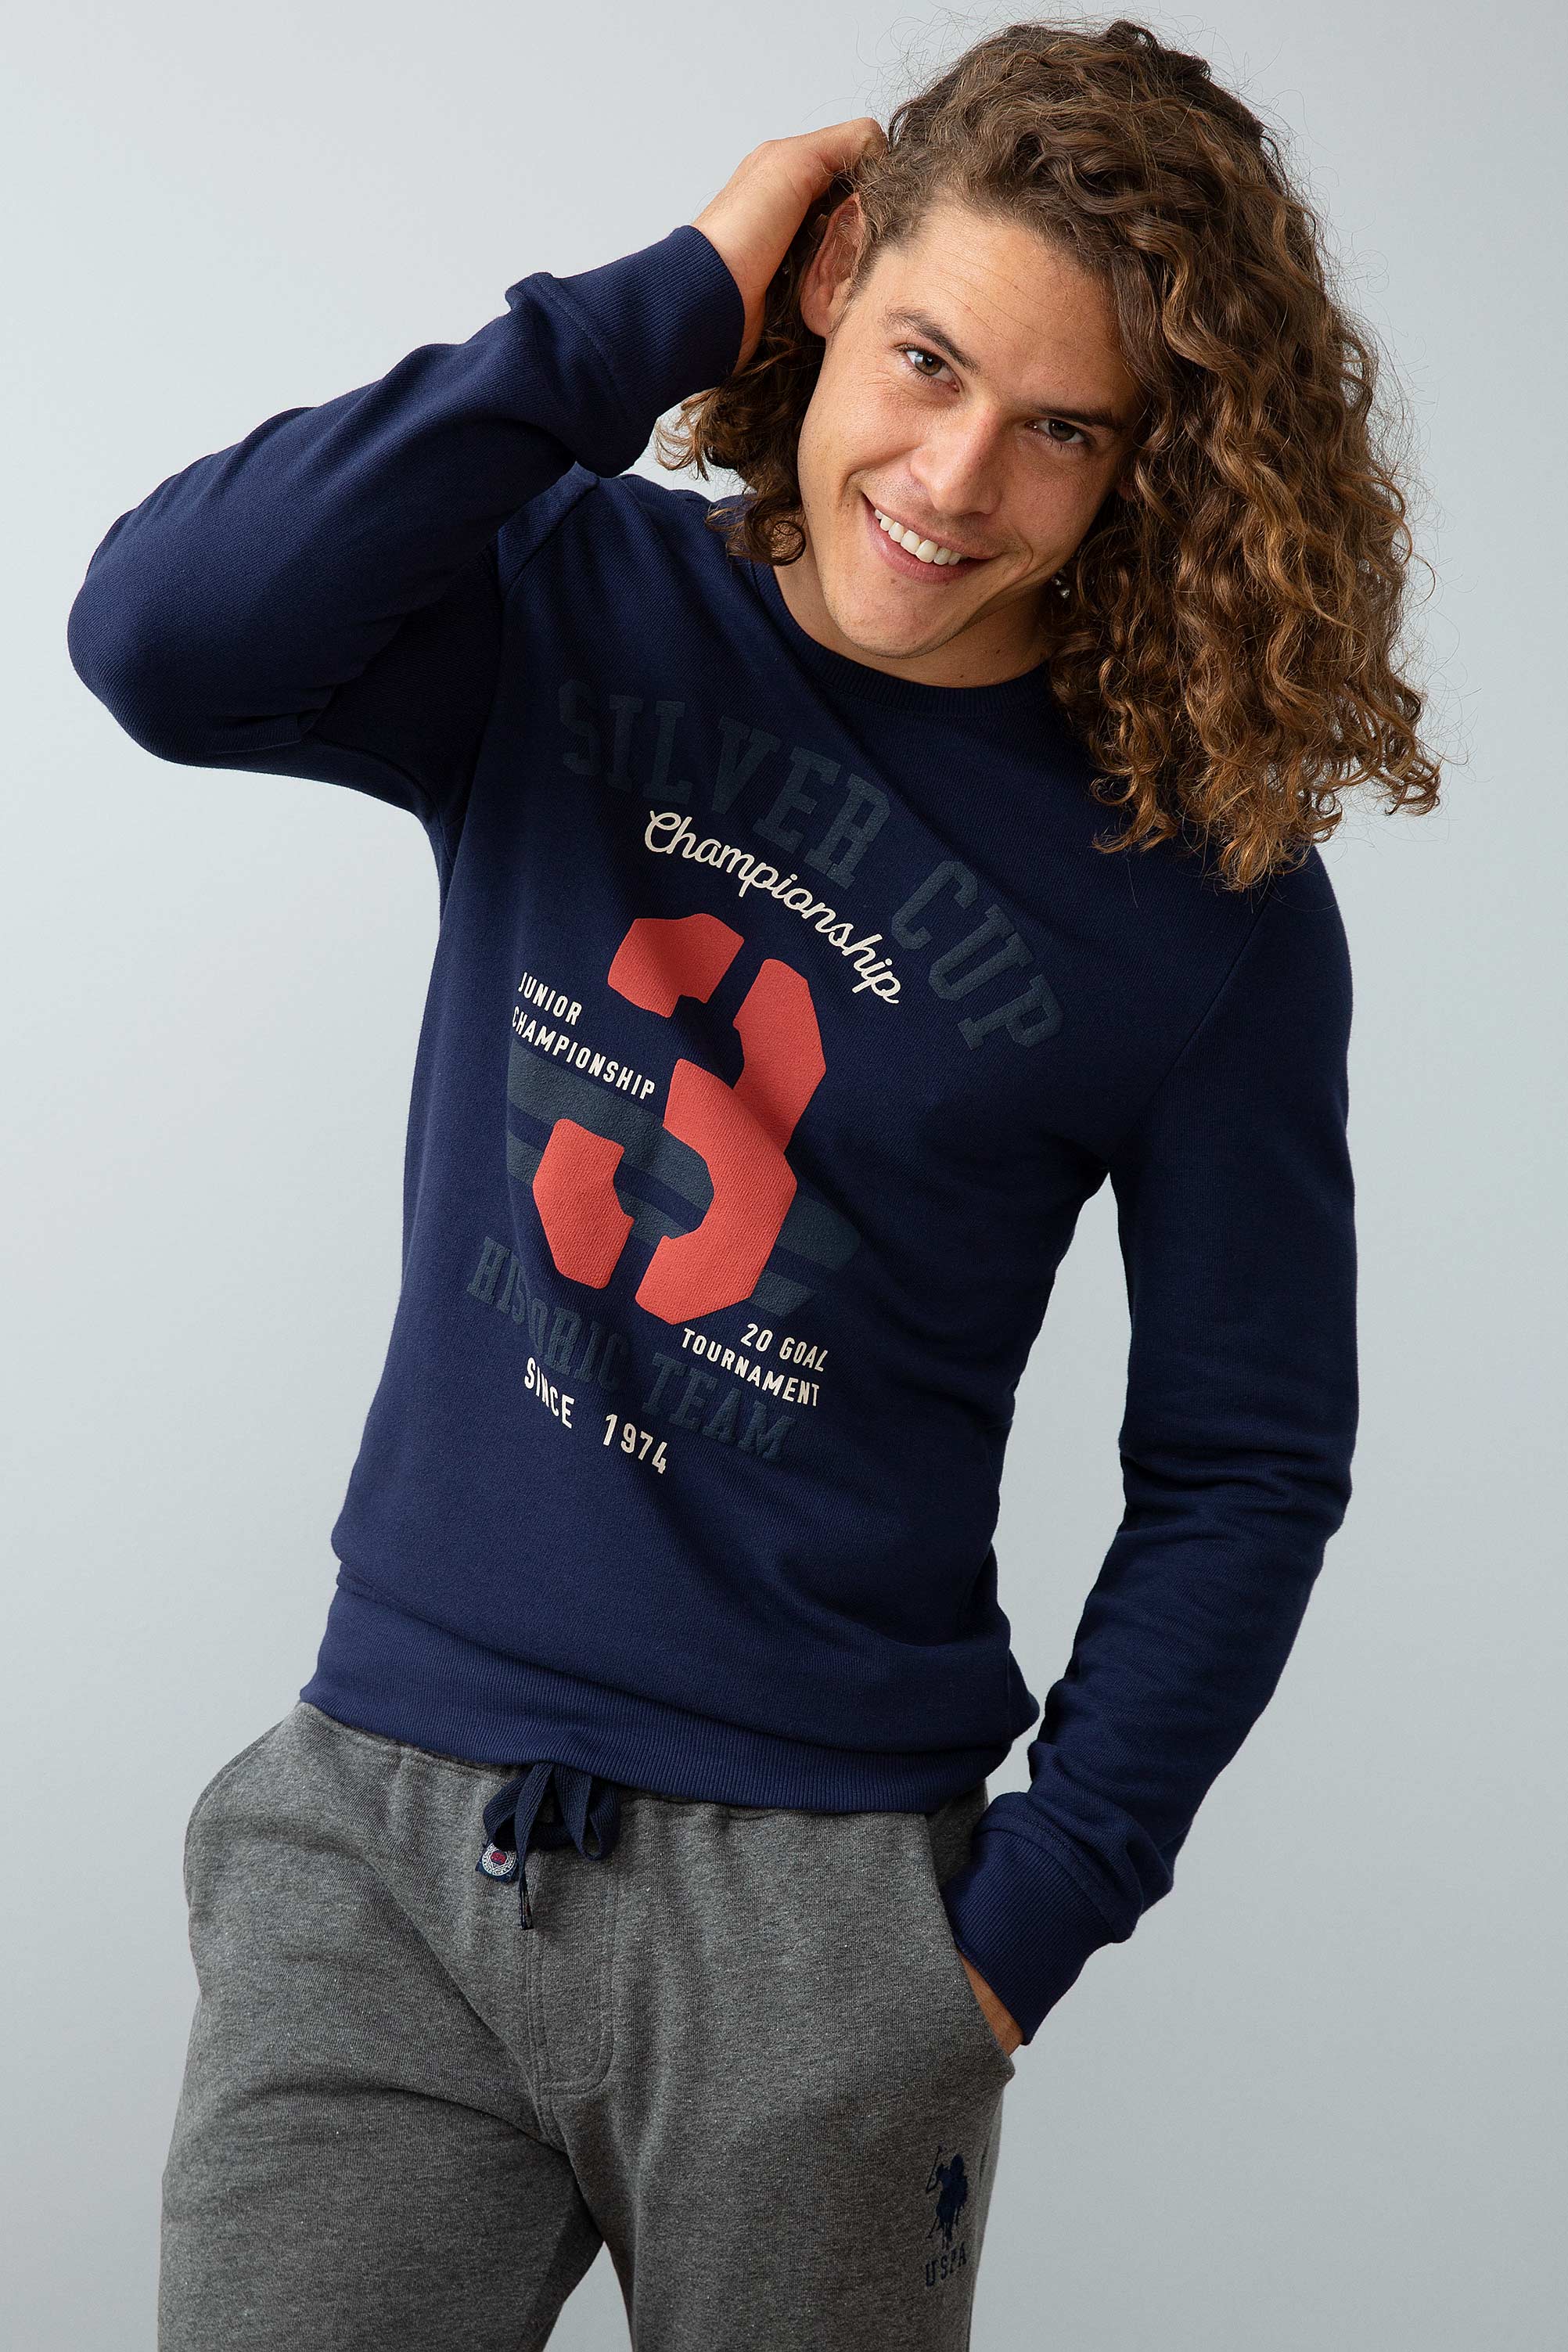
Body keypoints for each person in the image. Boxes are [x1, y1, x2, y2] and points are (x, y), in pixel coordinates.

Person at [67, 16, 1438, 2350]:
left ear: (1150, 465)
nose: (957, 475)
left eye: (1064, 427)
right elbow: (162, 638)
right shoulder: (561, 597)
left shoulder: (1197, 892)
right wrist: (652, 305)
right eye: (924, 360)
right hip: (378, 1836)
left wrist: (1013, 1935)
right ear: (825, 288)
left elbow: (1247, 1459)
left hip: (827, 1915)